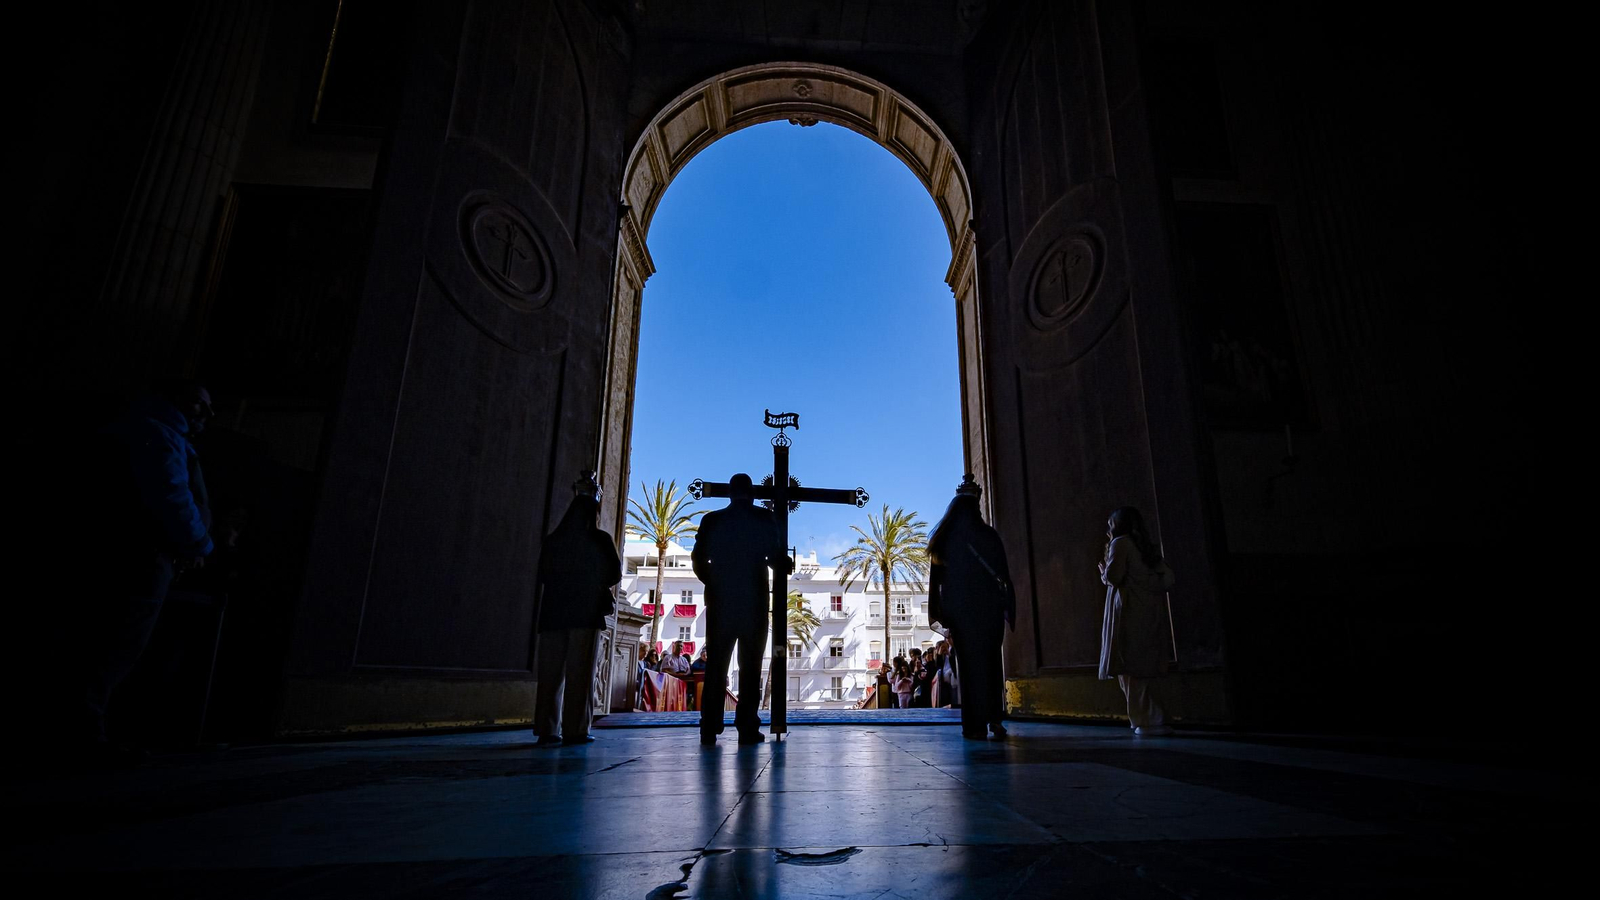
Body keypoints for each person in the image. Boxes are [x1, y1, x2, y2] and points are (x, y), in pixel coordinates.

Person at [80, 378, 217, 763]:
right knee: (117, 644)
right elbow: (171, 495)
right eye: (198, 403)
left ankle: (94, 729)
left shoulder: (162, 433)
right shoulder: (157, 434)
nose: (206, 413)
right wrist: (200, 544)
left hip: (151, 555)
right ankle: (86, 734)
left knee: (119, 644)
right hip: (145, 557)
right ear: (173, 399)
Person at [692, 473, 790, 745]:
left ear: (730, 492)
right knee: (751, 668)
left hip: (721, 603)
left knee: (716, 668)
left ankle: (709, 727)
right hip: (754, 604)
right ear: (753, 493)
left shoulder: (712, 521)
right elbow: (774, 558)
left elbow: (698, 559)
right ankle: (747, 727)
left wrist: (714, 582)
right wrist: (785, 563)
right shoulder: (762, 519)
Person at [532, 471, 622, 747]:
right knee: (581, 673)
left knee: (550, 674)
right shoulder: (600, 540)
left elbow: (544, 573)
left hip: (553, 612)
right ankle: (576, 729)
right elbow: (615, 574)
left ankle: (547, 729)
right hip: (586, 612)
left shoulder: (554, 540)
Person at [928, 474, 1015, 740]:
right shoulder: (989, 536)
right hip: (989, 613)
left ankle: (974, 725)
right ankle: (995, 721)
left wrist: (943, 618)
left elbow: (937, 585)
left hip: (961, 616)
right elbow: (1003, 573)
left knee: (968, 670)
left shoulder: (943, 540)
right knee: (991, 665)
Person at [1098, 506, 1176, 737]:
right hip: (1149, 609)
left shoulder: (1120, 543)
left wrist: (1103, 573)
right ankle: (1157, 716)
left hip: (1129, 609)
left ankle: (1145, 719)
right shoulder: (1146, 548)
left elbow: (1113, 576)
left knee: (1129, 667)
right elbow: (1168, 578)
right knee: (1146, 665)